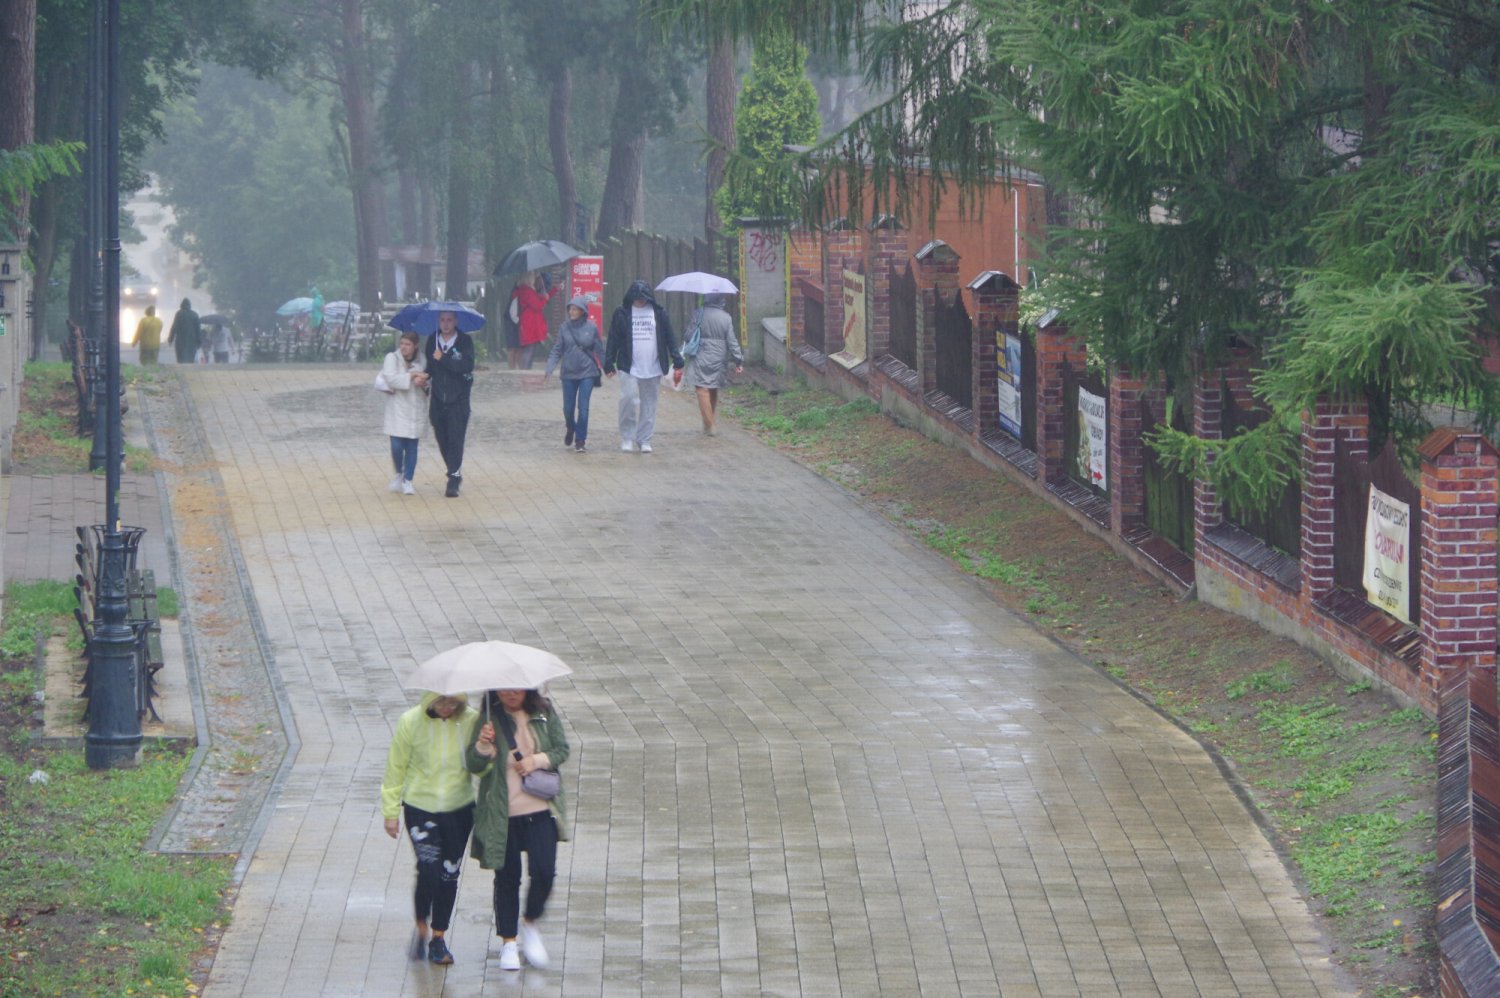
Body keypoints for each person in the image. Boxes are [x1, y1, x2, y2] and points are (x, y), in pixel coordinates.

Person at [465, 688, 570, 972]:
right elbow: (473, 763)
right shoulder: (489, 718)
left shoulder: (544, 713)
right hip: (503, 814)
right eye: (505, 689)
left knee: (544, 872)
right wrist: (483, 746)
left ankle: (530, 922)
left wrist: (536, 760)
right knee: (507, 878)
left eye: (516, 688)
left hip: (541, 810)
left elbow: (562, 749)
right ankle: (509, 941)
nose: (511, 694)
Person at [380, 692, 480, 967]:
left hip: (459, 808)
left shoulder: (472, 721)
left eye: (453, 703)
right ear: (430, 700)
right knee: (428, 869)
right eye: (441, 702)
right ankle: (421, 924)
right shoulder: (410, 721)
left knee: (448, 873)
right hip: (420, 807)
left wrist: (485, 749)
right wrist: (390, 811)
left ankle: (438, 936)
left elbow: (482, 769)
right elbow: (395, 767)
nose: (447, 708)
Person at [603, 280, 683, 453]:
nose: (641, 300)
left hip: (653, 366)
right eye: (638, 297)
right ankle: (627, 437)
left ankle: (644, 439)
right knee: (628, 399)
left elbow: (669, 337)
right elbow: (613, 338)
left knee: (649, 405)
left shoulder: (659, 312)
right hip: (628, 365)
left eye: (644, 297)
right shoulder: (622, 312)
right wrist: (608, 362)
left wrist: (677, 360)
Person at [544, 296, 603, 453]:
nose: (571, 311)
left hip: (587, 373)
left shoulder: (591, 328)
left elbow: (599, 350)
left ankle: (580, 439)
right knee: (568, 409)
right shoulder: (564, 328)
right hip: (568, 374)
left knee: (583, 408)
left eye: (575, 309)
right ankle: (571, 427)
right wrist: (549, 368)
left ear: (582, 311)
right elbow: (557, 349)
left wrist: (608, 367)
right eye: (570, 308)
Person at [427, 311, 476, 498]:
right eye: (442, 320)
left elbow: (466, 366)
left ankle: (453, 479)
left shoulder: (464, 341)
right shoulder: (433, 340)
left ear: (455, 321)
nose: (446, 324)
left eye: (449, 320)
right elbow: (431, 367)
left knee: (456, 439)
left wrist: (443, 358)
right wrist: (423, 376)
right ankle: (453, 470)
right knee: (443, 439)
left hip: (459, 399)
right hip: (438, 398)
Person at [686, 294, 743, 436]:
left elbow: (688, 336)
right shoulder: (726, 317)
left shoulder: (699, 313)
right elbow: (732, 340)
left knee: (701, 389)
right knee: (713, 387)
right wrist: (738, 359)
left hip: (701, 354)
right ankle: (709, 421)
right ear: (721, 301)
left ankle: (710, 425)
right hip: (719, 356)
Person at [381, 331, 430, 494]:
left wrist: (424, 383)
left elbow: (428, 380)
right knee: (396, 445)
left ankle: (408, 480)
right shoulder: (392, 358)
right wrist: (412, 375)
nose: (404, 347)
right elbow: (390, 379)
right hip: (397, 408)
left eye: (408, 344)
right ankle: (399, 473)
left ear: (415, 346)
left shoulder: (423, 359)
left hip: (415, 407)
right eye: (402, 343)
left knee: (412, 446)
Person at [511, 271, 559, 370]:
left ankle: (526, 370)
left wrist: (554, 290)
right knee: (529, 348)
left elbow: (542, 299)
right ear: (528, 278)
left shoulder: (527, 290)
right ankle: (525, 370)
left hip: (530, 322)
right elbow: (538, 305)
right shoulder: (527, 291)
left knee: (530, 348)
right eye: (533, 277)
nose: (535, 279)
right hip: (530, 323)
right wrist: (545, 299)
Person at [167, 298, 201, 364]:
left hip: (180, 340)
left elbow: (174, 327)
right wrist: (199, 341)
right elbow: (198, 329)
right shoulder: (195, 315)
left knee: (181, 359)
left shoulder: (179, 314)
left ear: (182, 305)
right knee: (190, 359)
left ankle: (182, 369)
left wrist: (170, 339)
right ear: (190, 305)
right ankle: (189, 369)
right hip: (192, 341)